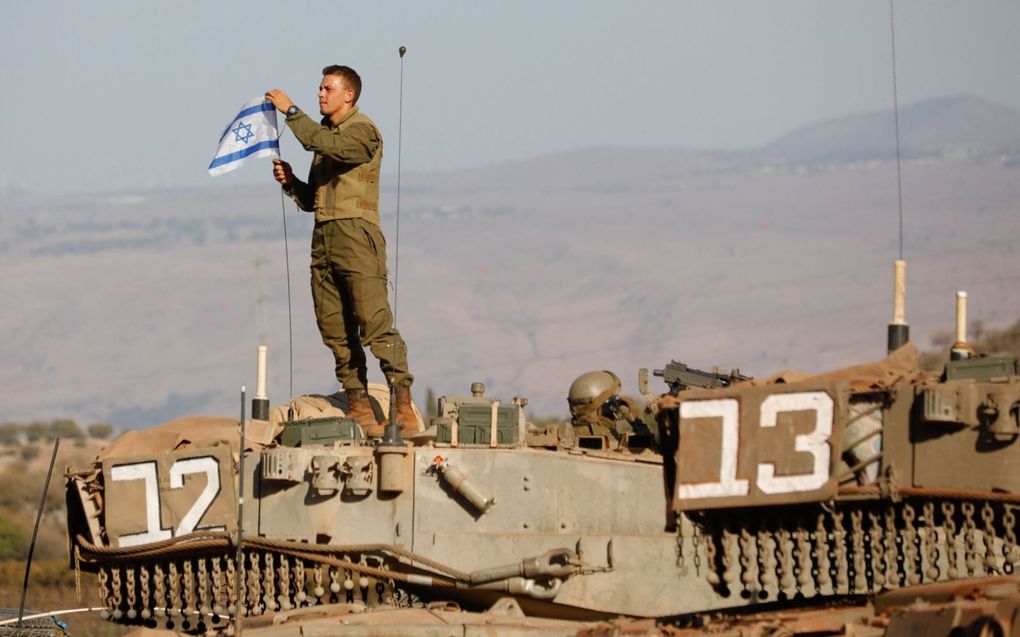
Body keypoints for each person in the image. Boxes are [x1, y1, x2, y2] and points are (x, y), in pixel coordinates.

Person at [265, 65, 416, 436]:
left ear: (348, 95)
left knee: (374, 321)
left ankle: (403, 406)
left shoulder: (361, 132)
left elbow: (328, 145)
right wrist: (292, 182)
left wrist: (291, 112)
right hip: (325, 237)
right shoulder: (324, 139)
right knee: (334, 327)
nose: (321, 94)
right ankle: (359, 406)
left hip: (356, 236)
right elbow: (312, 199)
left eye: (327, 88)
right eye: (319, 88)